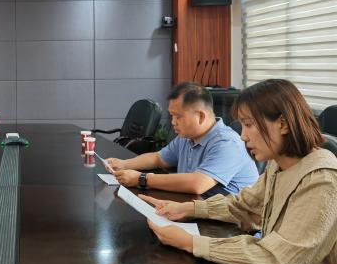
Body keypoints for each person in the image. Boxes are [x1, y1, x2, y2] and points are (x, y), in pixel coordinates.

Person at [142, 79, 337, 264]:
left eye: (249, 124)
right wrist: (187, 208)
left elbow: (279, 258)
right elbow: (244, 204)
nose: (243, 136)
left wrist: (190, 243)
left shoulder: (321, 178)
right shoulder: (279, 164)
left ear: (283, 124)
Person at [106, 82, 258, 196]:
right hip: (197, 208)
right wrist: (123, 164)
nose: (173, 122)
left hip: (230, 223)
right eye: (172, 115)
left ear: (201, 116)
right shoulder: (186, 137)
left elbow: (198, 184)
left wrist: (142, 178)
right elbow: (158, 158)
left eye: (178, 116)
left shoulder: (227, 143)